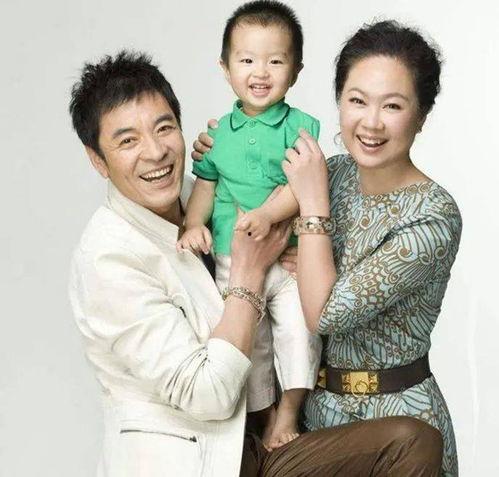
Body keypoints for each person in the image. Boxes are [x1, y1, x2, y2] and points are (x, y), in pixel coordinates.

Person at [69, 50, 445, 476]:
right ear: (97, 159)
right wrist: (247, 274)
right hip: (198, 463)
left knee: (411, 441)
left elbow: (277, 203)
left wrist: (298, 252)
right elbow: (207, 396)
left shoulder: (205, 196)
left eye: (164, 128)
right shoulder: (108, 257)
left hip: (264, 441)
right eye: (127, 141)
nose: (155, 152)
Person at [193, 20, 461, 477]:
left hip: (402, 425)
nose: (371, 122)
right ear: (339, 102)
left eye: (392, 105)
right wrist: (220, 148)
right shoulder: (329, 171)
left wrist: (313, 210)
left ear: (421, 114)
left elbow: (326, 314)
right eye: (357, 100)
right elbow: (244, 206)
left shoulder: (433, 214)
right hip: (312, 423)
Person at [177, 0, 321, 449]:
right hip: (231, 255)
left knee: (299, 332)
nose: (260, 72)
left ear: (296, 71)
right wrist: (193, 223)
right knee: (248, 345)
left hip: (287, 259)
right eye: (246, 61)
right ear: (225, 68)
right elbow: (206, 183)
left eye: (275, 61)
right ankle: (265, 417)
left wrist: (268, 215)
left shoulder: (300, 126)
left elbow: (303, 184)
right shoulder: (218, 134)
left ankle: (290, 411)